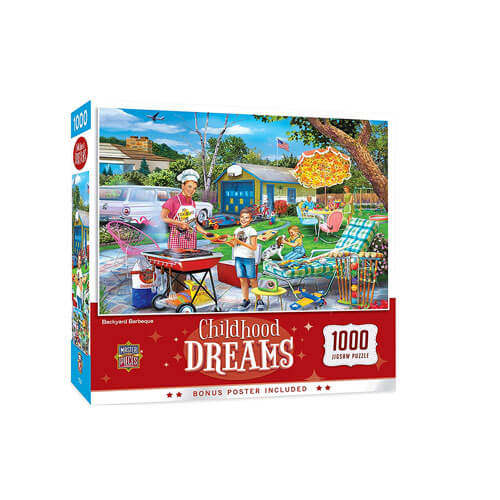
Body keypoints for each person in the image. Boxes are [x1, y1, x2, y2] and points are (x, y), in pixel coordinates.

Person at [160, 169, 209, 291]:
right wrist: (179, 223)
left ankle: (182, 292)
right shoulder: (172, 201)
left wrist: (205, 232)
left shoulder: (192, 203)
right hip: (177, 237)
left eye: (194, 188)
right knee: (175, 267)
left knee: (186, 266)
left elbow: (194, 222)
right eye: (189, 187)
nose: (192, 190)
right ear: (183, 186)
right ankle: (172, 292)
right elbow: (163, 217)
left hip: (190, 238)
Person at [228, 207, 265, 311]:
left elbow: (254, 247)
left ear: (250, 219)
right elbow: (234, 245)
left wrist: (240, 242)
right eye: (242, 217)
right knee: (242, 280)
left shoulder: (251, 230)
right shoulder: (236, 230)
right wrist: (226, 241)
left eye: (247, 218)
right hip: (238, 258)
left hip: (248, 258)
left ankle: (259, 300)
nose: (244, 219)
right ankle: (246, 300)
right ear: (239, 218)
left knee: (252, 280)